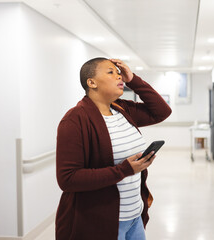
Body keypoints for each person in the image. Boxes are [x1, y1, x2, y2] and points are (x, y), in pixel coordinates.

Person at [55, 57, 171, 240]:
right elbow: (68, 179)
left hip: (134, 217)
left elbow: (162, 111)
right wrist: (124, 170)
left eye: (119, 73)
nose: (119, 77)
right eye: (111, 72)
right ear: (91, 82)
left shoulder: (121, 109)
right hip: (100, 223)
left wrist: (133, 80)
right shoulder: (75, 119)